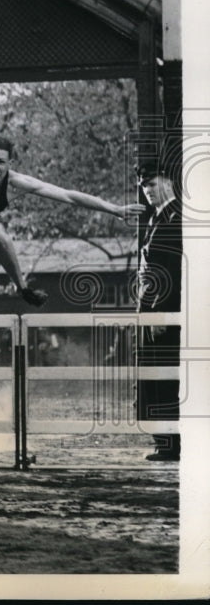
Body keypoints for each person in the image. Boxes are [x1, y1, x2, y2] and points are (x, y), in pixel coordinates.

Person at [0, 135, 145, 371]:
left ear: (9, 164)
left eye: (1, 162)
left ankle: (22, 287)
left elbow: (67, 195)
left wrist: (114, 209)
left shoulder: (15, 183)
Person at [135, 161, 182, 461]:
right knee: (153, 377)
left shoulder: (176, 217)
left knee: (163, 378)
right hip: (151, 312)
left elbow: (171, 271)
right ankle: (164, 441)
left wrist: (159, 312)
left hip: (161, 314)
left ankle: (169, 443)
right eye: (144, 185)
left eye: (152, 183)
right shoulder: (158, 217)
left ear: (167, 181)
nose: (147, 190)